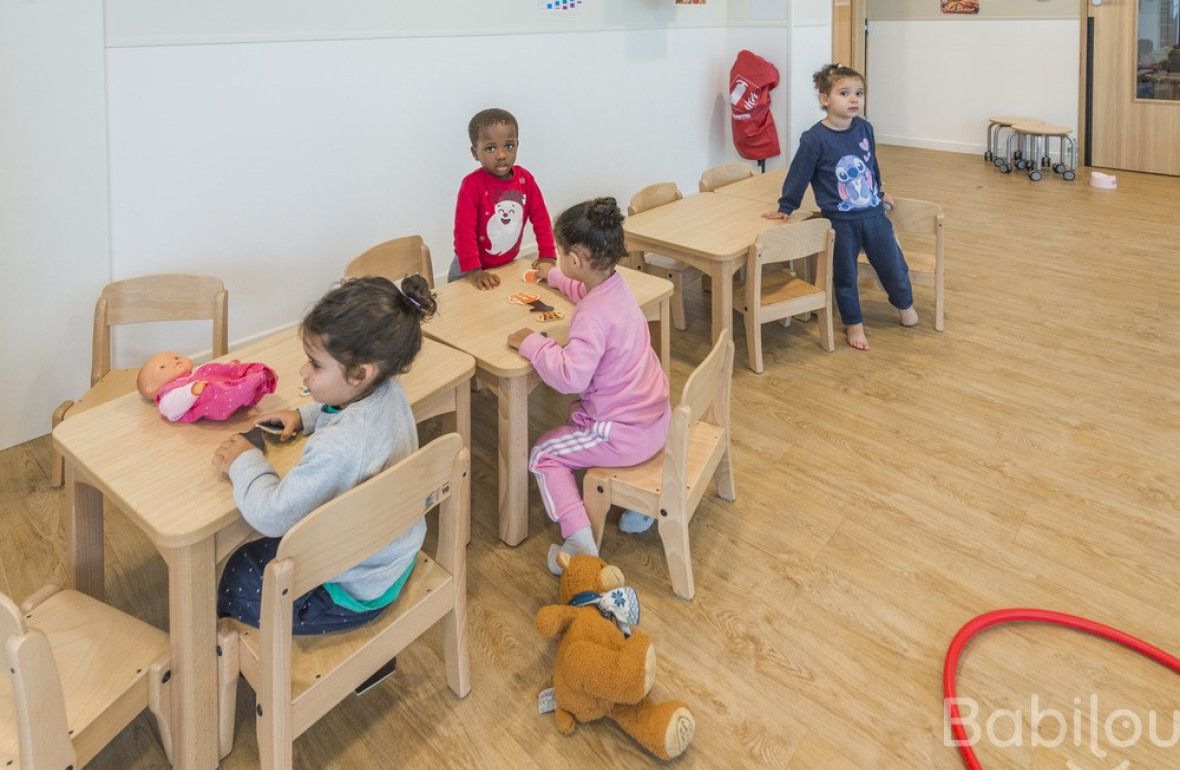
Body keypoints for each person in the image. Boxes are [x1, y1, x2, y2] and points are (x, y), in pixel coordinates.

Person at [212, 275, 437, 635]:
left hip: (350, 591)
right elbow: (350, 412)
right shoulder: (388, 390)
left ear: (361, 373)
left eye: (315, 365)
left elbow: (271, 516)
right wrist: (304, 416)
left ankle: (223, 662)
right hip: (390, 556)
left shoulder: (341, 447)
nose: (303, 372)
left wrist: (244, 461)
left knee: (239, 567)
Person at [507, 198, 670, 575]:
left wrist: (534, 343)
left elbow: (570, 378)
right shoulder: (615, 286)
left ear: (576, 260)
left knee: (542, 455)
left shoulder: (592, 318)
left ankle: (580, 541)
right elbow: (584, 292)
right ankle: (641, 506)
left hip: (621, 434)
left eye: (560, 254)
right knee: (571, 426)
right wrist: (553, 277)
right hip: (657, 422)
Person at [763, 63, 917, 350]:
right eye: (844, 93)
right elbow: (799, 174)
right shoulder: (813, 139)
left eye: (858, 93)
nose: (853, 99)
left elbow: (871, 164)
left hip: (873, 216)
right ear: (825, 99)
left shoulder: (865, 128)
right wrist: (786, 206)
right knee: (845, 276)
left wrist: (879, 190)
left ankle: (904, 304)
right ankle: (854, 324)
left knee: (893, 266)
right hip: (840, 223)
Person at [450, 107, 557, 289]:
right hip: (468, 270)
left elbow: (541, 219)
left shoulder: (526, 180)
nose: (501, 155)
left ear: (517, 145)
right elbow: (464, 233)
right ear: (475, 153)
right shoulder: (471, 185)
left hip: (505, 265)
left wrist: (547, 256)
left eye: (509, 146)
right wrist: (474, 272)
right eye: (490, 148)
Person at [137, 353, 277, 423]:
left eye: (175, 357)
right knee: (221, 392)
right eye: (163, 366)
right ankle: (256, 381)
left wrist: (225, 370)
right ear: (151, 387)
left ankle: (249, 373)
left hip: (214, 386)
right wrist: (190, 392)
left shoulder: (191, 375)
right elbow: (171, 410)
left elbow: (211, 375)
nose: (175, 361)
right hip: (210, 399)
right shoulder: (167, 396)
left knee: (210, 371)